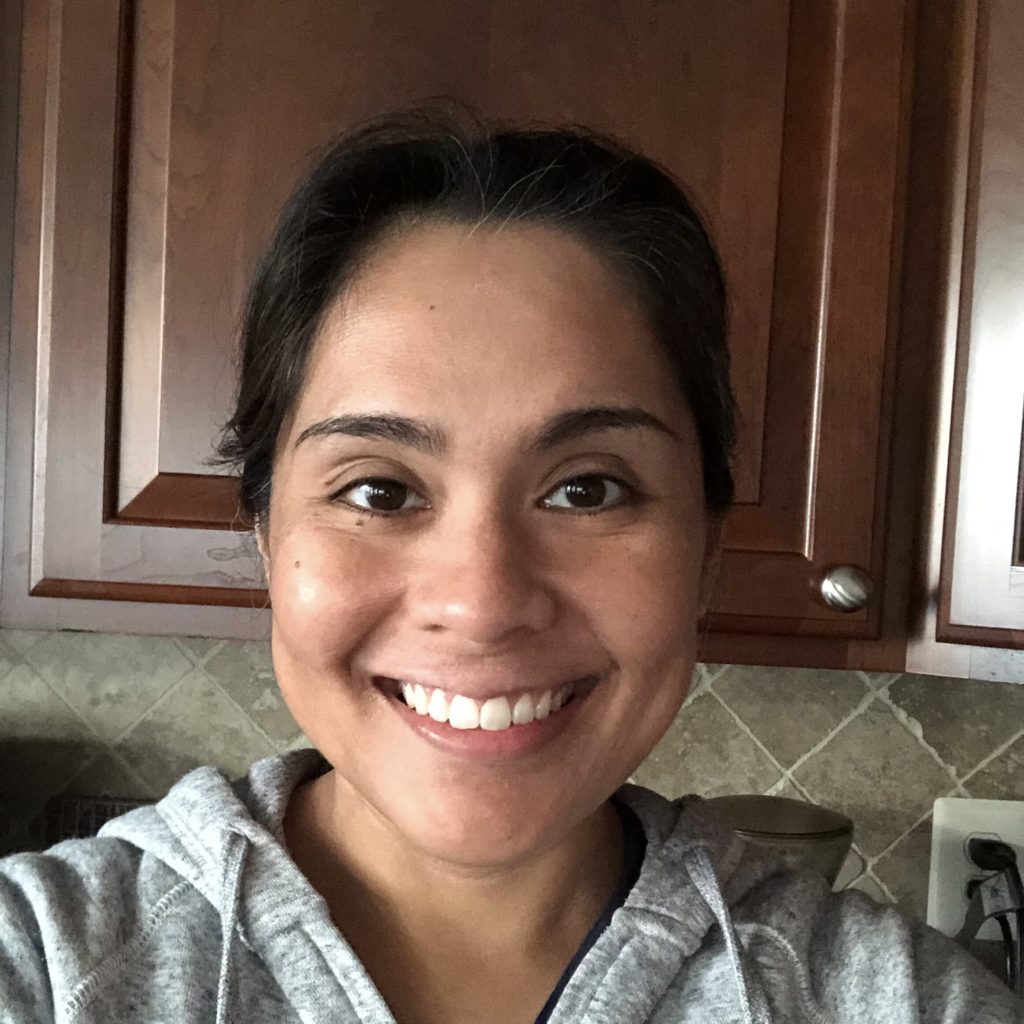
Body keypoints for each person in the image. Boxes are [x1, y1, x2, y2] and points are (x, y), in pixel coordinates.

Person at [0, 110, 1020, 1024]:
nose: (481, 602)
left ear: (707, 550)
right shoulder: (46, 962)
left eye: (587, 489)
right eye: (379, 490)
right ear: (266, 531)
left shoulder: (903, 1001)